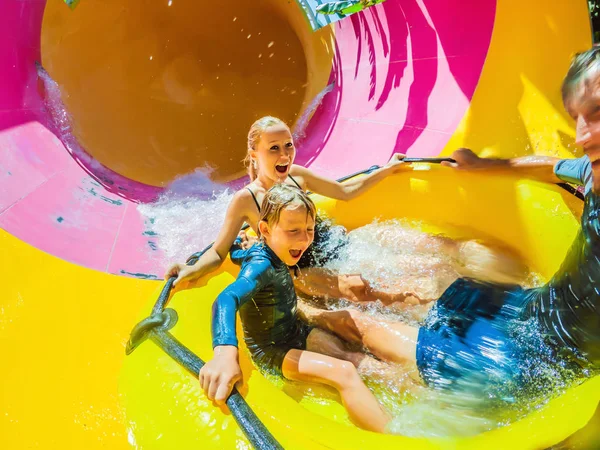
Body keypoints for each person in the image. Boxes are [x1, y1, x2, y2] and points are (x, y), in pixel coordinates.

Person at [299, 47, 600, 398]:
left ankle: (302, 312)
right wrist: (482, 165)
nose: (581, 136)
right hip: (530, 310)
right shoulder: (592, 172)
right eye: (575, 116)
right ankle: (305, 301)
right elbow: (553, 165)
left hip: (519, 366)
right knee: (428, 287)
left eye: (595, 112)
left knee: (362, 327)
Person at [199, 184, 391, 432]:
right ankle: (391, 437)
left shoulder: (266, 249)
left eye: (309, 230)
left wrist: (236, 246)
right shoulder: (260, 265)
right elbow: (226, 299)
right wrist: (224, 353)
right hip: (273, 350)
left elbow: (239, 255)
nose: (304, 239)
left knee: (353, 353)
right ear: (266, 230)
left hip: (294, 330)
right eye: (293, 231)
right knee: (344, 372)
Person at [165, 115, 409, 300]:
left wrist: (386, 169)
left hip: (335, 245)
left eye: (288, 145)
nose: (284, 155)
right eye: (274, 148)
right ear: (254, 154)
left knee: (410, 256)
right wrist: (191, 268)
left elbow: (344, 192)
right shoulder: (246, 199)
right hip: (306, 269)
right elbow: (218, 252)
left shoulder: (297, 176)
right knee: (373, 292)